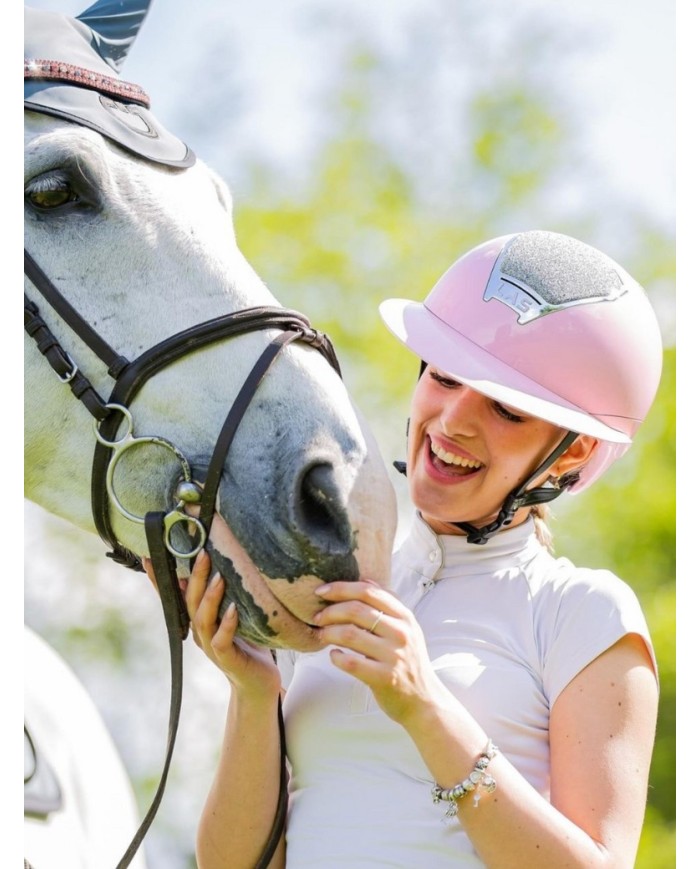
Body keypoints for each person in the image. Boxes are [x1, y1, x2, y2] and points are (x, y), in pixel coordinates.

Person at [177, 230, 663, 868]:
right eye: (445, 376)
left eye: (507, 411)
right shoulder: (336, 587)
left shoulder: (585, 613)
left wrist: (426, 707)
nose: (454, 420)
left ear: (571, 453)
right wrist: (253, 693)